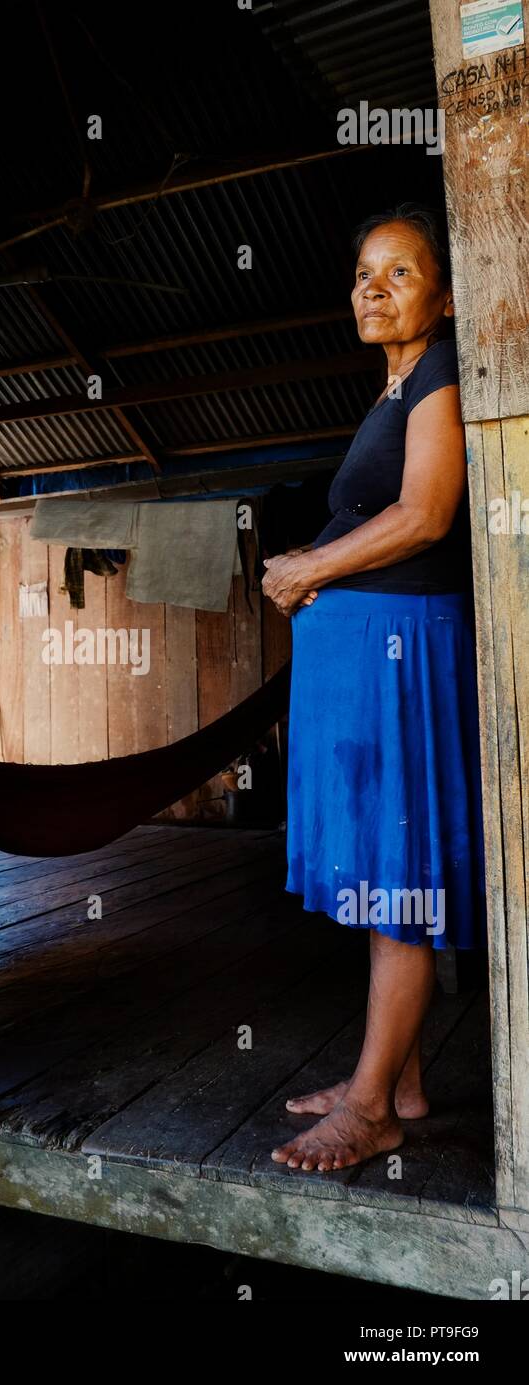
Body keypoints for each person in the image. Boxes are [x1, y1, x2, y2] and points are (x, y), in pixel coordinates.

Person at [261, 204, 486, 1173]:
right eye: (363, 273)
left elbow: (428, 513)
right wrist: (313, 560)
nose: (374, 288)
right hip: (367, 659)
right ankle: (398, 1077)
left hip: (407, 654)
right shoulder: (395, 389)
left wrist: (312, 569)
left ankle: (370, 1111)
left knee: (401, 881)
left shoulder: (440, 374)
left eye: (399, 273)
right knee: (382, 872)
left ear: (441, 293)